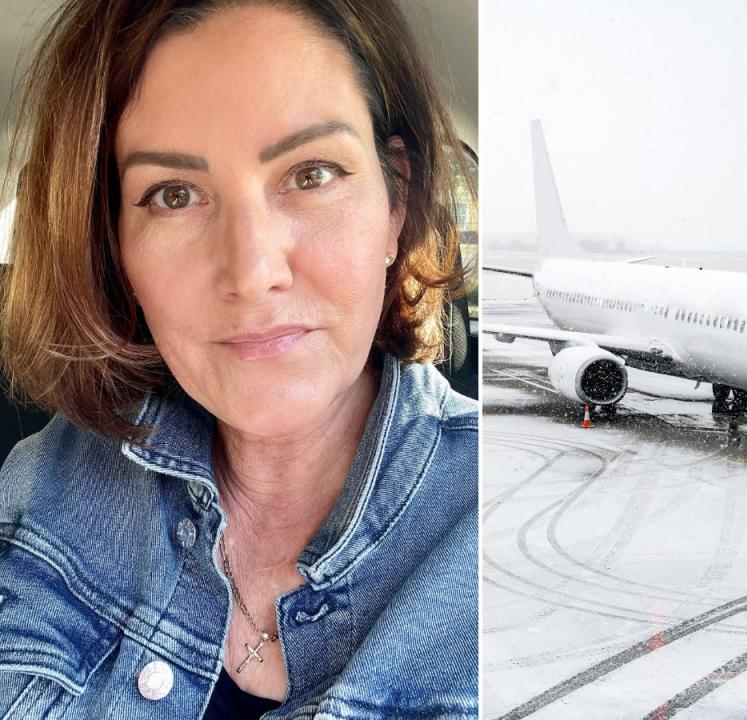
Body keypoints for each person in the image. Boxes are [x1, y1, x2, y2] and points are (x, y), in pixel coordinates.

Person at [0, 1, 477, 718]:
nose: (252, 271)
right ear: (116, 249)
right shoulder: (43, 483)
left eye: (312, 173)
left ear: (396, 205)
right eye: (174, 195)